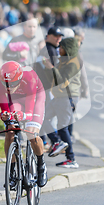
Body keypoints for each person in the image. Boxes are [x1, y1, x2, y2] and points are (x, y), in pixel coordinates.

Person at [0, 61, 48, 187]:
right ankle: (12, 171)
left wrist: (23, 116)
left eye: (12, 84)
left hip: (35, 98)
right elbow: (4, 108)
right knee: (10, 132)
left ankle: (41, 165)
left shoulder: (29, 78)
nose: (8, 88)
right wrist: (5, 115)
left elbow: (29, 111)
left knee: (31, 132)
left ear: (19, 78)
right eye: (5, 84)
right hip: (16, 99)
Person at [42, 38, 81, 168]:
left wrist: (51, 68)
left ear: (68, 48)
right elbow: (53, 79)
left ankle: (71, 159)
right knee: (43, 118)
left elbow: (62, 81)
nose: (59, 49)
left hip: (67, 97)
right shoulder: (64, 61)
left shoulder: (73, 63)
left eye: (61, 47)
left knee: (62, 127)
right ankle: (57, 142)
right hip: (59, 97)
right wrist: (48, 69)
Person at [35, 27, 69, 156]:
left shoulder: (50, 50)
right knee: (41, 117)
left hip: (45, 89)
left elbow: (52, 73)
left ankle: (54, 141)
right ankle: (48, 141)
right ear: (48, 36)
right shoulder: (50, 50)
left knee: (41, 117)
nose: (58, 38)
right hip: (45, 88)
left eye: (60, 36)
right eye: (56, 36)